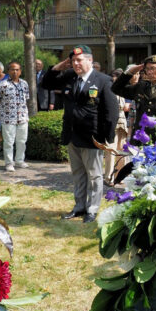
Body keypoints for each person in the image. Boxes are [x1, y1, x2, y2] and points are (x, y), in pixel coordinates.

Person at [42, 45, 119, 223]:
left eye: (79, 60)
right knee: (78, 174)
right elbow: (47, 84)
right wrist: (56, 68)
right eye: (73, 61)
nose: (75, 64)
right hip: (72, 135)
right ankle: (79, 207)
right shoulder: (70, 76)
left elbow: (111, 111)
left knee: (94, 175)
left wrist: (107, 138)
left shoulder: (103, 80)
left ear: (90, 60)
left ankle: (92, 209)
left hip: (92, 136)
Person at [112, 55, 156, 142]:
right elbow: (116, 89)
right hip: (139, 140)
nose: (149, 72)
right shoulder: (141, 86)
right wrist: (129, 73)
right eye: (147, 69)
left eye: (153, 68)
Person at [0, 62, 29, 172]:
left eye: (17, 69)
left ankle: (19, 160)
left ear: (20, 71)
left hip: (22, 117)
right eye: (12, 69)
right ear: (8, 71)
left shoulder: (24, 84)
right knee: (8, 141)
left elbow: (26, 98)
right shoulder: (2, 85)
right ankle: (8, 163)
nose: (15, 72)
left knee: (22, 140)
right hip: (8, 118)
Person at [104, 69, 130, 186]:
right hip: (111, 123)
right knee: (111, 150)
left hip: (122, 123)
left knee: (122, 151)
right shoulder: (107, 90)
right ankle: (109, 178)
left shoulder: (123, 90)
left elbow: (125, 107)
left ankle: (120, 176)